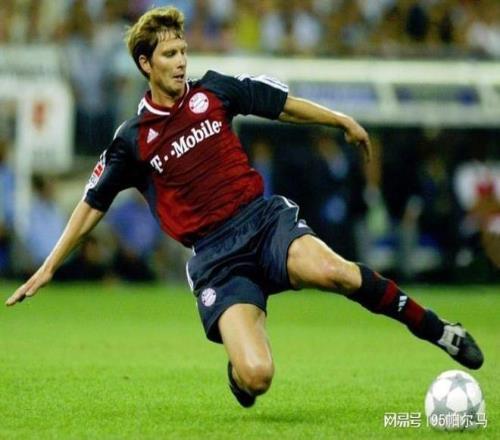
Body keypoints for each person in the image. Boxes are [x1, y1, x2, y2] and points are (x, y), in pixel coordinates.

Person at [6, 6, 483, 408]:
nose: (181, 62)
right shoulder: (132, 140)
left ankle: (438, 330)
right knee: (257, 377)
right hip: (217, 258)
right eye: (170, 55)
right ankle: (240, 366)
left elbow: (280, 104)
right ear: (145, 63)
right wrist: (49, 266)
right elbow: (92, 204)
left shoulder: (213, 91)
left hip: (263, 222)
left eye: (183, 51)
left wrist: (339, 119)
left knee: (337, 273)